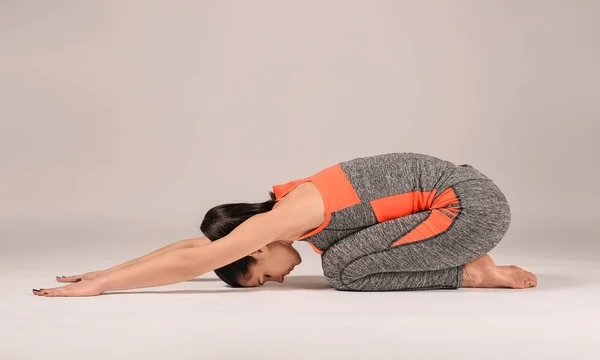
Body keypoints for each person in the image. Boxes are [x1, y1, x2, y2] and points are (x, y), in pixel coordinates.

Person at [32, 152, 537, 297]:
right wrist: (103, 270)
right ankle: (464, 260)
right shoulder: (287, 212)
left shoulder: (288, 216)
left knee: (342, 269)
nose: (276, 278)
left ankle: (472, 272)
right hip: (460, 200)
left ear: (251, 247)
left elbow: (198, 260)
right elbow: (194, 245)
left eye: (260, 276)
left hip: (470, 210)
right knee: (338, 255)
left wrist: (103, 290)